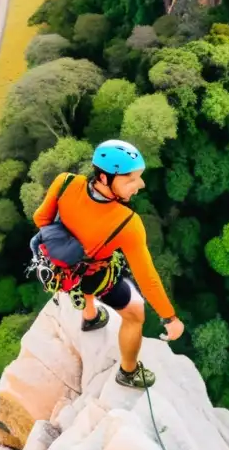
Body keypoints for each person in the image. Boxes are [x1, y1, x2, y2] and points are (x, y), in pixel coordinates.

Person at [31, 139, 185, 389]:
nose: (140, 185)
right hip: (93, 274)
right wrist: (170, 318)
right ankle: (128, 372)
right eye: (131, 179)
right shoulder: (127, 223)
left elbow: (41, 217)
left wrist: (68, 242)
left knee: (87, 271)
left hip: (61, 271)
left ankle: (90, 316)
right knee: (135, 313)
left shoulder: (66, 181)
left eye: (139, 177)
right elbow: (147, 277)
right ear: (104, 178)